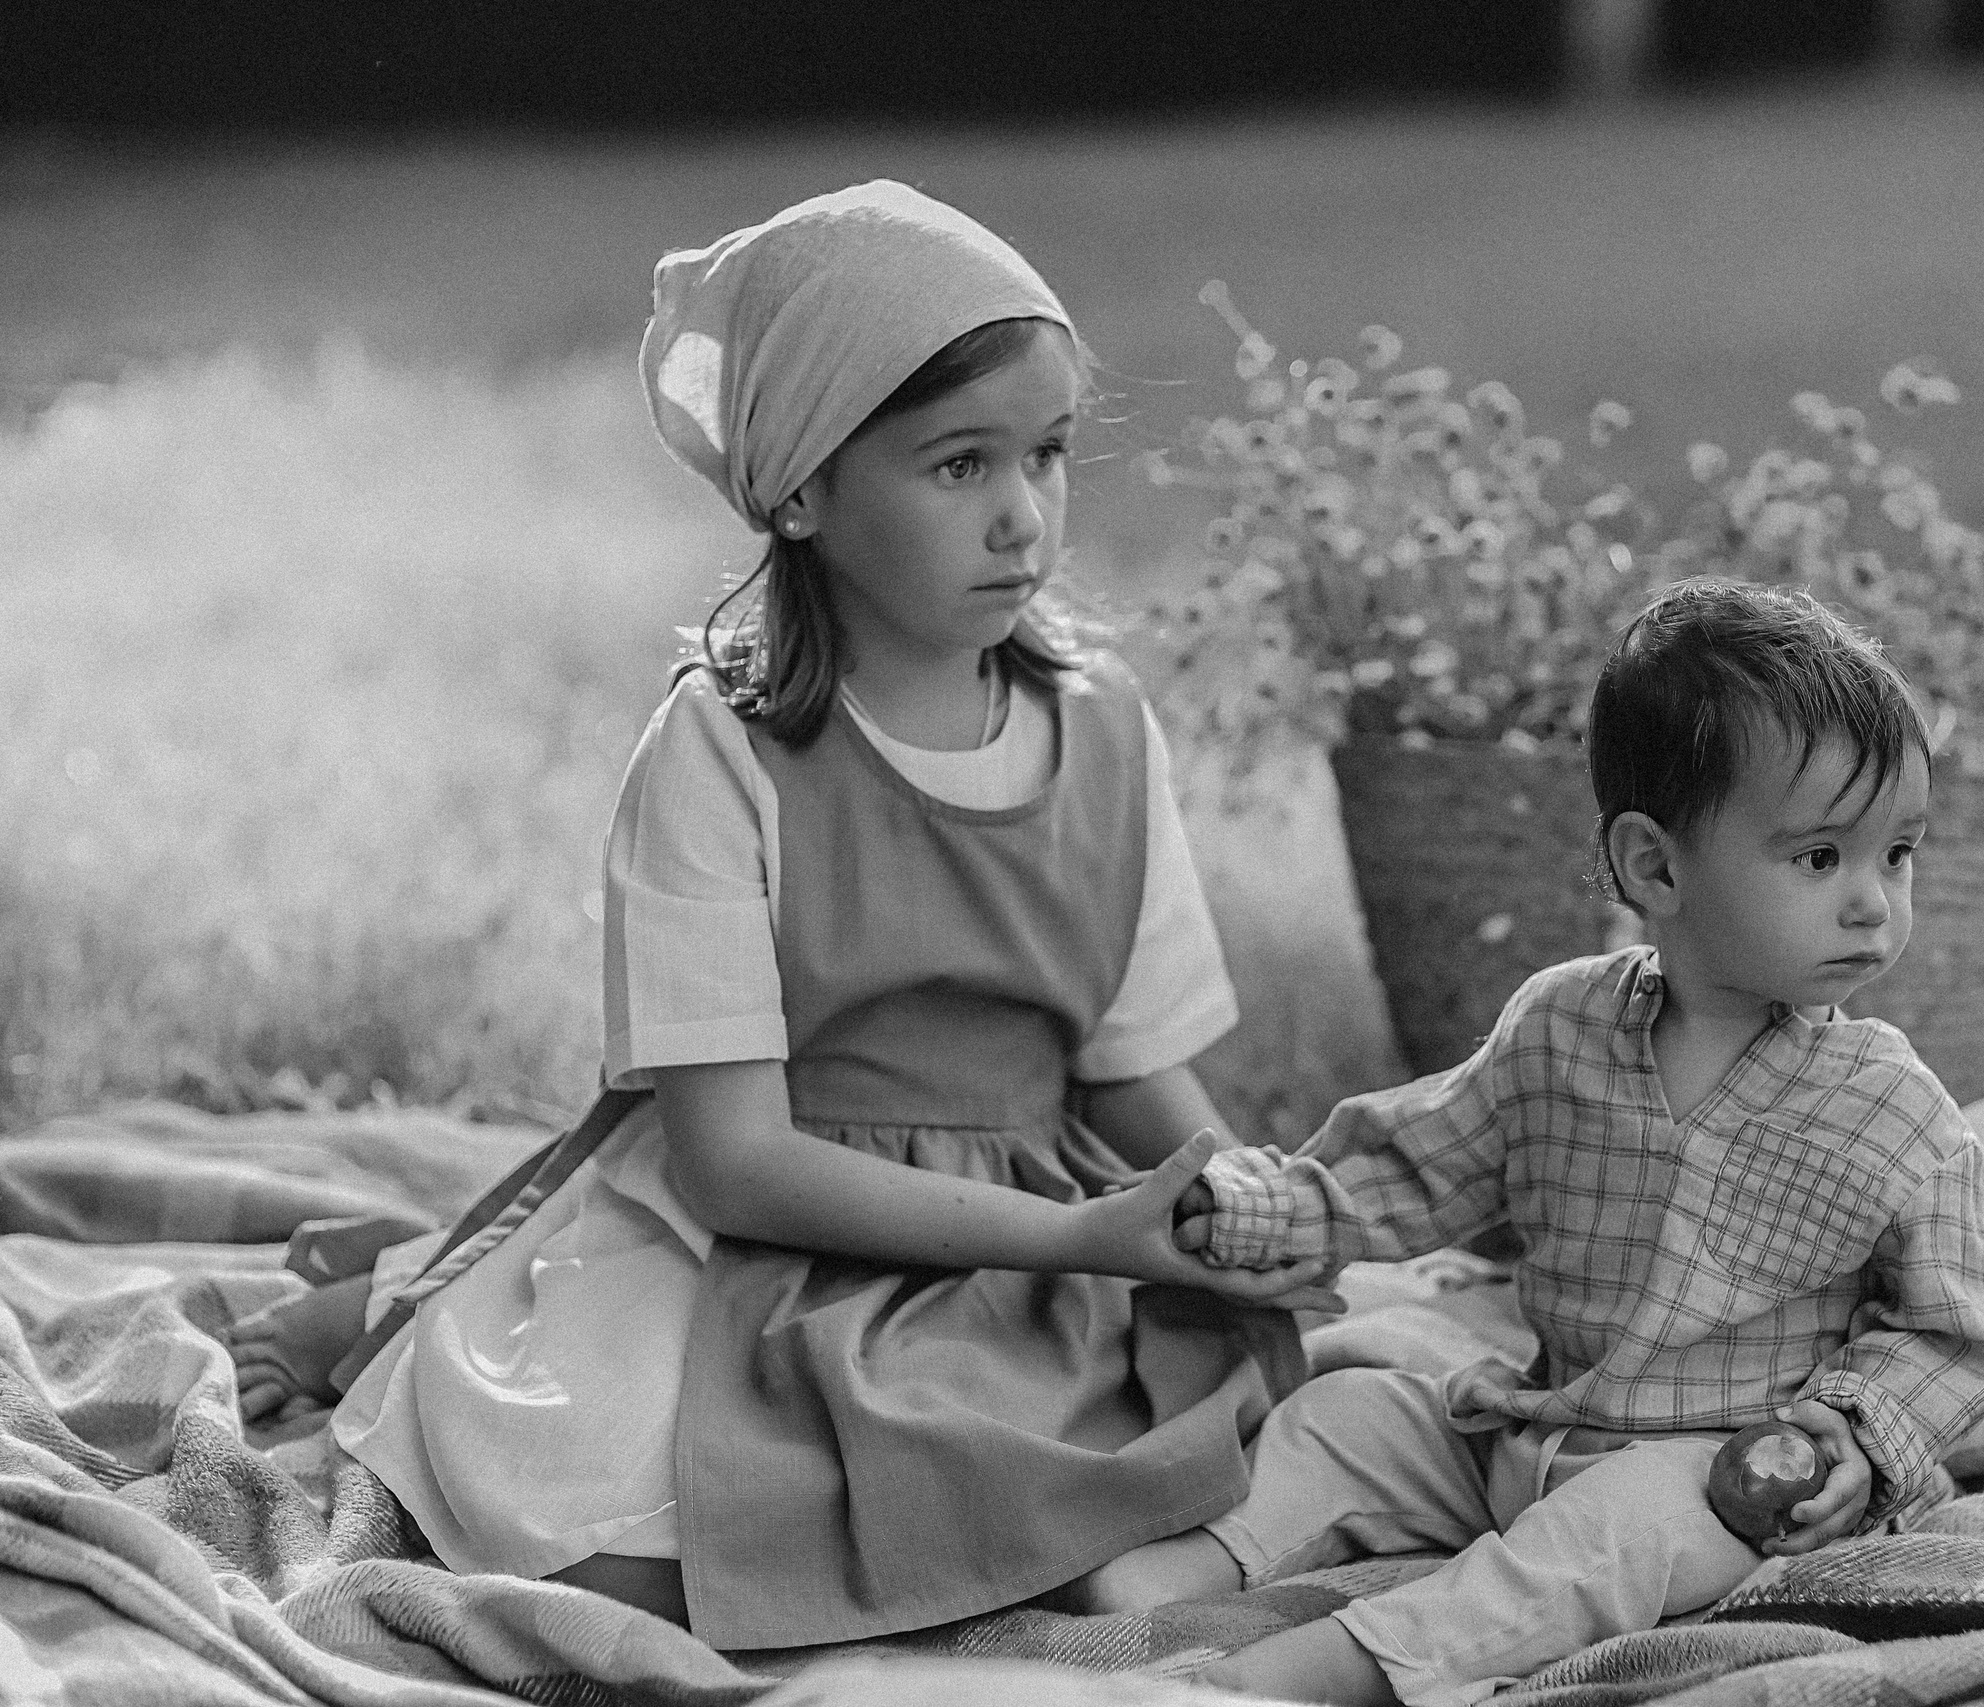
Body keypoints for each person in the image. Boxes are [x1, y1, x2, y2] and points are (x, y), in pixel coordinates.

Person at [223, 180, 1337, 1648]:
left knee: (1219, 1439)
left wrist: (1224, 1196)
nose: (1024, 514)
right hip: (769, 1230)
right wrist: (1086, 1245)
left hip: (1028, 1223)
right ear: (803, 489)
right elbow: (736, 1161)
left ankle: (427, 1292)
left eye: (1051, 454)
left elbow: (1125, 1064)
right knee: (617, 1560)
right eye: (958, 466)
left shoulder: (1104, 733)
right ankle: (416, 1299)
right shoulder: (725, 751)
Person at [1121, 579, 1984, 1706]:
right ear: (1654, 867)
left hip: (1713, 1487)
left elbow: (1952, 1334)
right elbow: (1423, 1156)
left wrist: (1852, 1434)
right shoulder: (1561, 1025)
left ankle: (1310, 1672)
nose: (1873, 906)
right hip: (1532, 1429)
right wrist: (1272, 1211)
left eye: (1899, 854)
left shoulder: (1894, 1111)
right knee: (1352, 1416)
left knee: (1603, 1541)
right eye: (1820, 858)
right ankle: (1185, 1574)